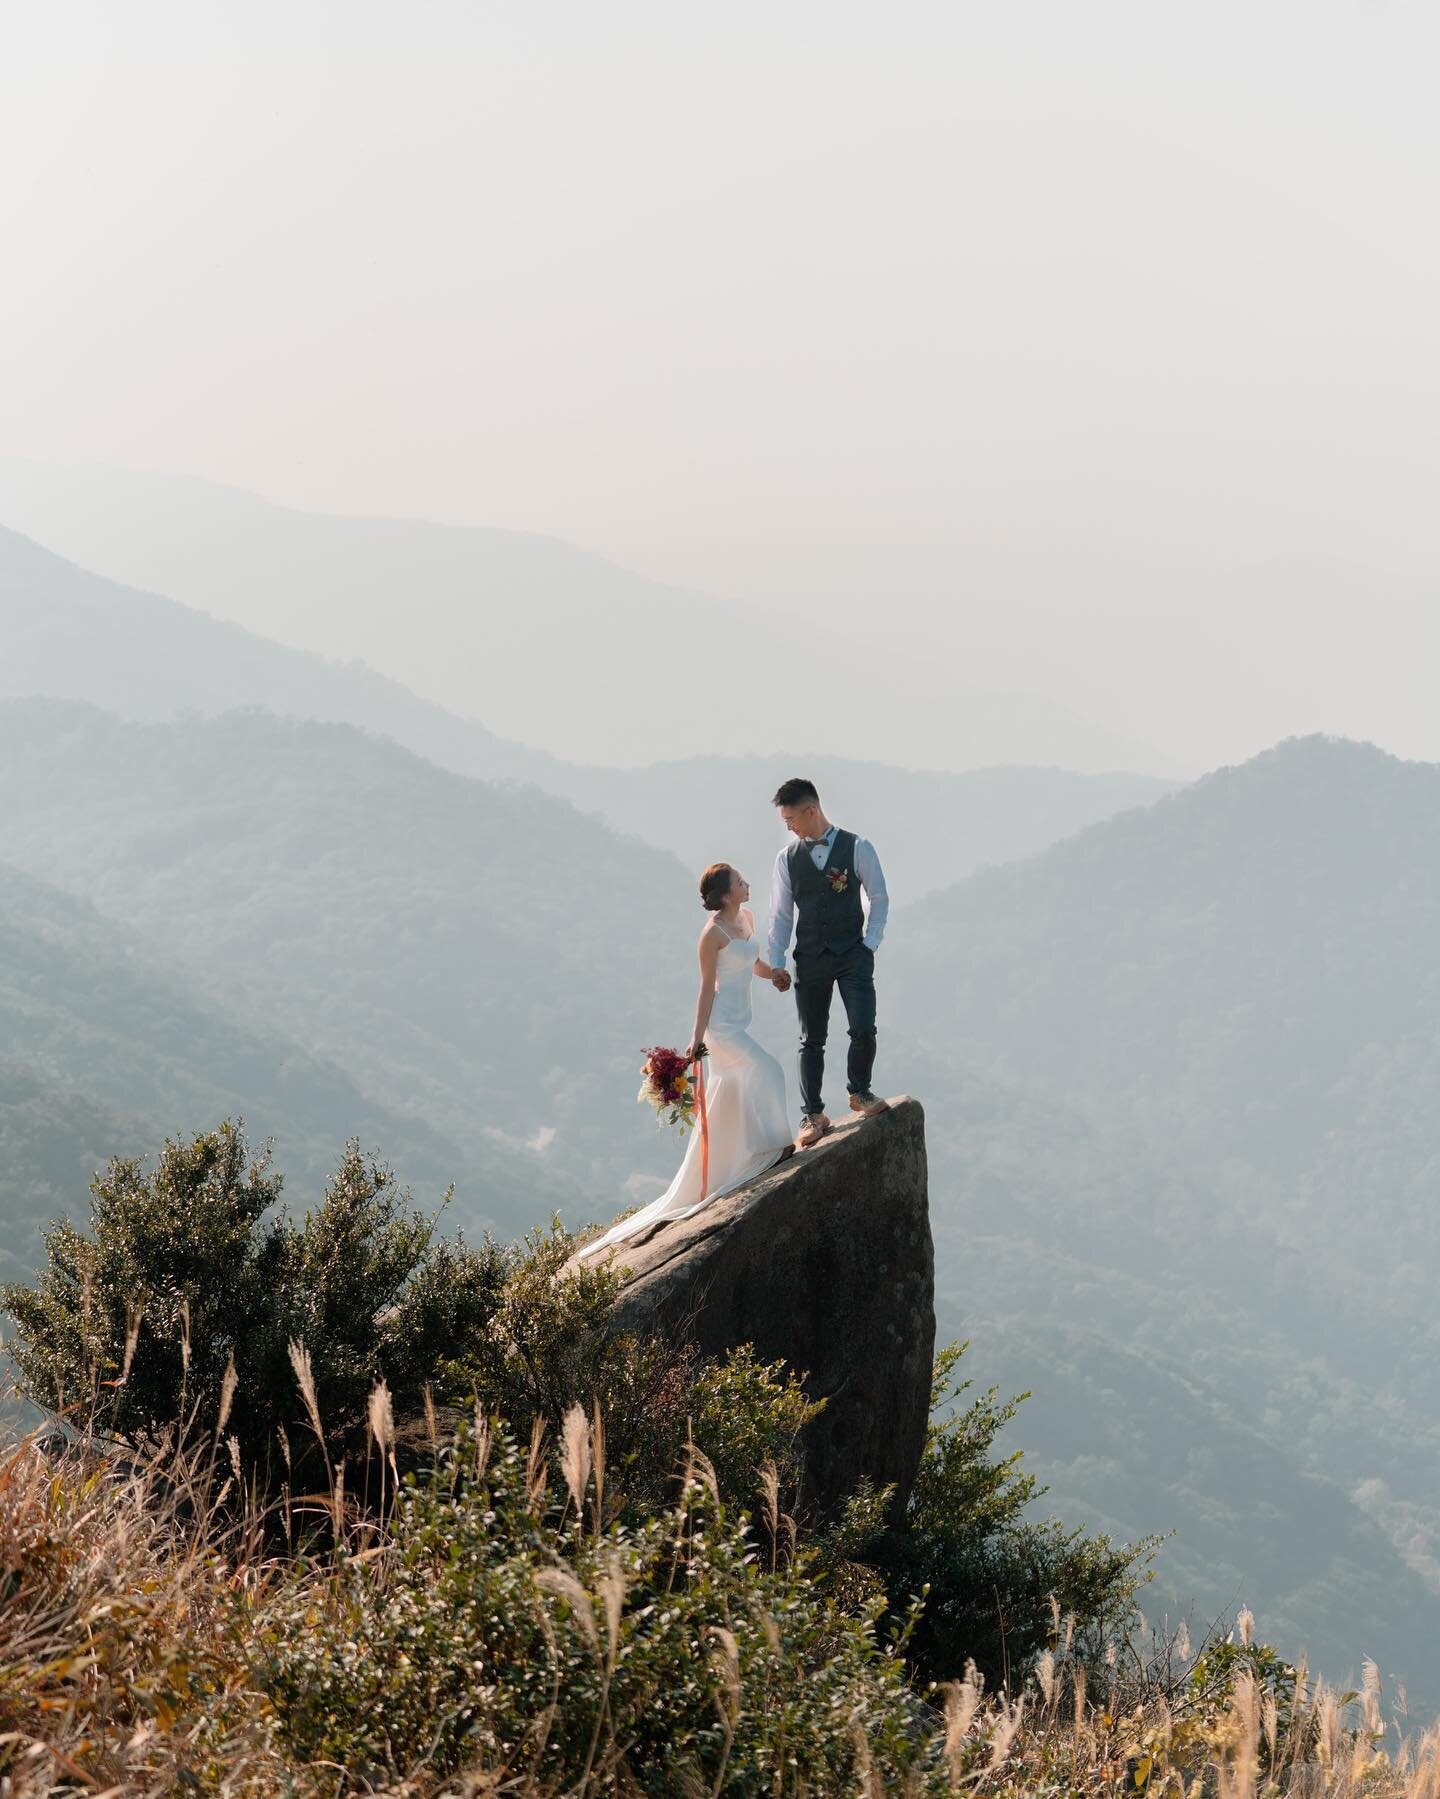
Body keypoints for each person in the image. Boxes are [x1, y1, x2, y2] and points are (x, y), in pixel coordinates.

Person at [578, 862, 793, 1259]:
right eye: (741, 882)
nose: (748, 885)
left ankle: (737, 1161)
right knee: (767, 1069)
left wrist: (775, 974)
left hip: (739, 1021)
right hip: (722, 1028)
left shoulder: (745, 918)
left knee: (731, 1092)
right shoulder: (712, 934)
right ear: (727, 893)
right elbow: (706, 989)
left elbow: (753, 963)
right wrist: (696, 1041)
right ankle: (775, 1146)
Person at [765, 777, 890, 1148]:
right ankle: (812, 1113)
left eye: (791, 819)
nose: (789, 826)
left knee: (864, 1026)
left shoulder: (858, 847)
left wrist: (870, 943)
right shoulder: (786, 859)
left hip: (853, 954)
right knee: (811, 1040)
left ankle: (860, 1091)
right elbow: (780, 915)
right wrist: (777, 961)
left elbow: (879, 897)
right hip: (810, 957)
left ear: (811, 810)